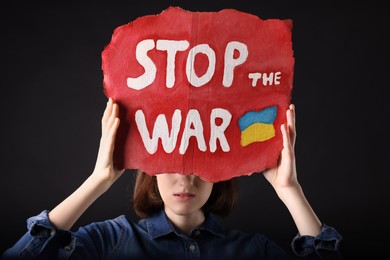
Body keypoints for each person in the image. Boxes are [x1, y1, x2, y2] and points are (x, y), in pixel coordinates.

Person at [2, 98, 342, 259]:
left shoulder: (252, 250)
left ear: (220, 175)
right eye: (174, 162)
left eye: (201, 166)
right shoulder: (110, 240)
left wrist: (290, 190)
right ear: (151, 170)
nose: (186, 179)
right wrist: (98, 179)